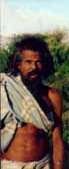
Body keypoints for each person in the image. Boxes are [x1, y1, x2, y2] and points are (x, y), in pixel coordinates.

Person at [0, 36, 64, 169]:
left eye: (38, 62)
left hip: (43, 164)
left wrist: (58, 166)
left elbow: (57, 139)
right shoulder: (5, 90)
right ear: (18, 64)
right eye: (28, 62)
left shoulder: (52, 96)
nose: (34, 67)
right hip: (11, 165)